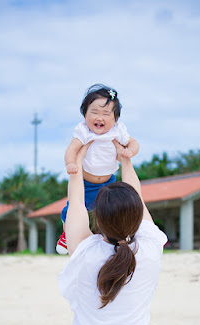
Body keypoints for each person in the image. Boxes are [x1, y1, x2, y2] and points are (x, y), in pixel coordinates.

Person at [58, 140, 167, 325]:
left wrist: (76, 168)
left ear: (98, 219)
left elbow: (75, 205)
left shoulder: (85, 253)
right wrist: (125, 161)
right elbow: (136, 197)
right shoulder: (151, 248)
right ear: (138, 216)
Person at [56, 84, 139, 254]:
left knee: (109, 211)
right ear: (85, 115)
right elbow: (71, 149)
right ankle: (66, 234)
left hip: (108, 182)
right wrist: (71, 163)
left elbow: (134, 143)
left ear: (115, 119)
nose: (99, 117)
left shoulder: (117, 131)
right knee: (72, 210)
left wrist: (130, 151)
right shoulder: (84, 132)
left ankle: (111, 235)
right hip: (86, 184)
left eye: (106, 114)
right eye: (93, 112)